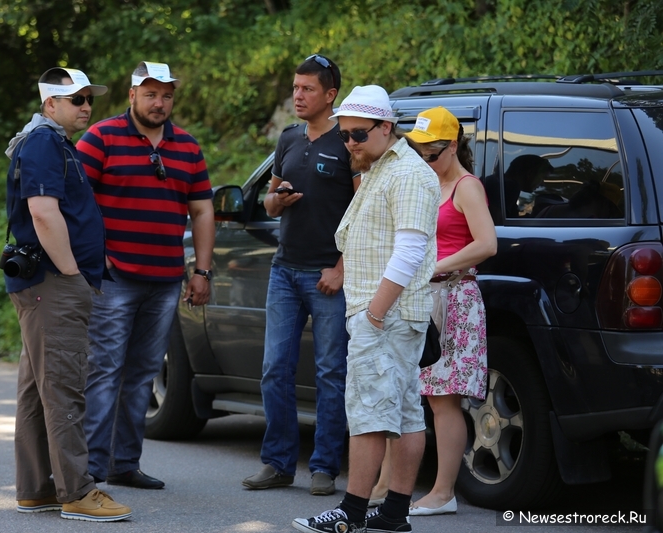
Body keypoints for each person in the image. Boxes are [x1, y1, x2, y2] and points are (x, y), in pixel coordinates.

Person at [292, 85, 440, 533]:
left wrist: (373, 314)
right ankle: (394, 513)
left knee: (369, 414)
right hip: (390, 312)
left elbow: (411, 250)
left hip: (387, 312)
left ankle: (352, 514)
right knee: (406, 413)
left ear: (386, 127)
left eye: (358, 134)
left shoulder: (408, 174)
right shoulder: (380, 167)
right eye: (344, 135)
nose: (350, 143)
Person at [76, 61, 215, 490]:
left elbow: (203, 209)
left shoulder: (187, 147)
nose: (160, 103)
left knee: (141, 374)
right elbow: (74, 200)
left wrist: (202, 270)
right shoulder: (100, 137)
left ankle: (124, 463)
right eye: (151, 94)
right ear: (132, 95)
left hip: (165, 279)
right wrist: (96, 257)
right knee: (105, 370)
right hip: (114, 278)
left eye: (167, 95)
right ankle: (90, 470)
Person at [3, 67, 132, 522]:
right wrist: (73, 273)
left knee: (39, 389)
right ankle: (77, 492)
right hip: (54, 285)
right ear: (50, 103)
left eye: (88, 99)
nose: (86, 107)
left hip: (46, 284)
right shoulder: (42, 143)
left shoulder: (54, 142)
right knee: (64, 387)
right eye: (76, 99)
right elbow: (42, 212)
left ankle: (37, 488)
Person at [242, 55, 359, 497]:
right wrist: (277, 202)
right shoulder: (289, 138)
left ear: (330, 95)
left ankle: (325, 467)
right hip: (284, 270)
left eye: (307, 89)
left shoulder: (347, 142)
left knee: (331, 373)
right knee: (275, 369)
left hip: (327, 274)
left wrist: (342, 268)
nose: (297, 95)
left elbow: (363, 212)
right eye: (295, 87)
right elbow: (270, 199)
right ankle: (277, 463)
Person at [404, 106, 497, 516]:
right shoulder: (428, 182)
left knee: (444, 399)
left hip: (454, 299)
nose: (424, 158)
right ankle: (414, 486)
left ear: (453, 144)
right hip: (425, 299)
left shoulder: (466, 186)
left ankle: (443, 492)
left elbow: (487, 243)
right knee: (421, 395)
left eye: (432, 151)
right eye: (418, 150)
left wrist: (435, 268)